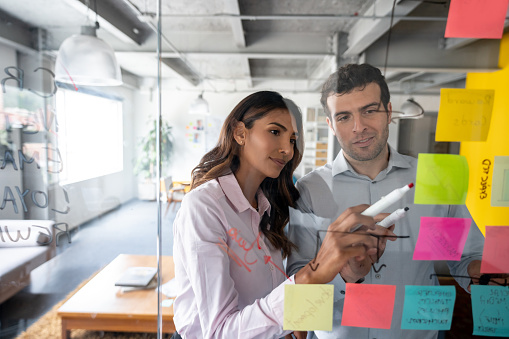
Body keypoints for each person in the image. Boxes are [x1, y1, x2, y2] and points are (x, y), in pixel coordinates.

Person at [286, 64, 486, 339]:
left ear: (389, 112)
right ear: (331, 125)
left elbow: (466, 257)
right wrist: (344, 275)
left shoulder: (434, 180)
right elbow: (298, 282)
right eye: (344, 117)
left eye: (369, 110)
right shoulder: (310, 190)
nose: (359, 127)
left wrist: (484, 274)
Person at [172, 91, 389, 339]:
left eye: (293, 140)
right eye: (275, 132)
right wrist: (311, 275)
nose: (287, 149)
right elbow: (220, 332)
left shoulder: (268, 207)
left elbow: (270, 301)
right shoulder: (204, 206)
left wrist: (345, 272)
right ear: (240, 132)